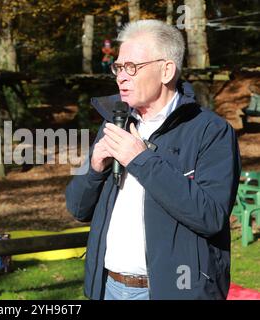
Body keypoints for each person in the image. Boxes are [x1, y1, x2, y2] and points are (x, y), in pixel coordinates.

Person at [65, 20, 240, 300]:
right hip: (107, 287)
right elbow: (77, 208)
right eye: (118, 67)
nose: (121, 76)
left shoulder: (211, 131)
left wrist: (140, 159)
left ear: (166, 70)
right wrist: (94, 169)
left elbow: (211, 217)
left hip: (175, 291)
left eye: (132, 67)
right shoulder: (115, 123)